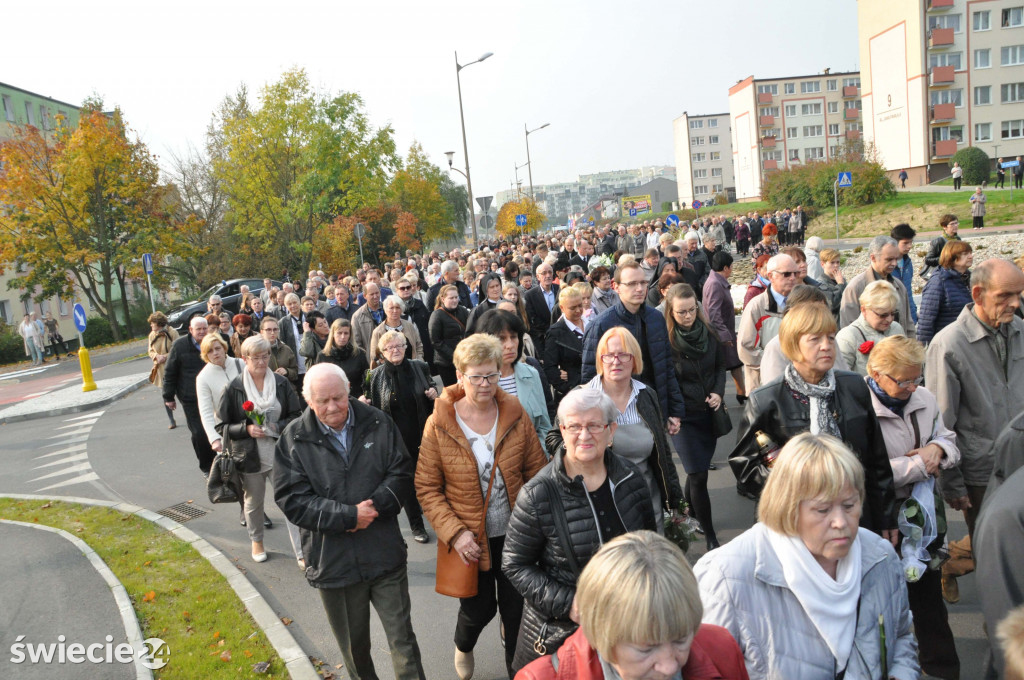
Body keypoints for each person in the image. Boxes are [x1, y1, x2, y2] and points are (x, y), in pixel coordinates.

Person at [699, 433, 919, 680]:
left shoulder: (881, 558)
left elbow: (900, 636)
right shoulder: (726, 580)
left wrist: (902, 675)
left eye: (849, 505)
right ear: (787, 506)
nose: (840, 522)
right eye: (823, 509)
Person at [274, 363, 426, 680]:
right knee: (355, 653)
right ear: (308, 401)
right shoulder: (293, 438)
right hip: (334, 564)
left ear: (348, 392)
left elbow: (402, 472)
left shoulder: (378, 422)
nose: (332, 407)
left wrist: (374, 507)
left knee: (404, 645)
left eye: (338, 398)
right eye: (323, 401)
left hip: (384, 555)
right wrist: (347, 517)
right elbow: (292, 499)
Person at [415, 334, 547, 680]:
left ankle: (516, 673)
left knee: (517, 615)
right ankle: (463, 643)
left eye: (492, 374)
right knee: (479, 609)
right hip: (471, 539)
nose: (486, 384)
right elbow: (427, 488)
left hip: (518, 534)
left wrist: (541, 524)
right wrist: (455, 534)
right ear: (460, 376)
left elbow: (536, 473)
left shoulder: (515, 413)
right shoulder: (440, 423)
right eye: (476, 376)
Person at [501, 388, 656, 672]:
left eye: (594, 425)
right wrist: (570, 604)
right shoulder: (538, 494)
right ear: (562, 430)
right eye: (574, 426)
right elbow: (515, 564)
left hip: (628, 625)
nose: (584, 435)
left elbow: (649, 545)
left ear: (611, 431)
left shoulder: (631, 479)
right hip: (563, 633)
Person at [731, 301, 898, 541]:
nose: (826, 346)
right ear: (792, 344)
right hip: (793, 524)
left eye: (831, 338)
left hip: (855, 517)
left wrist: (886, 516)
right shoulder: (766, 399)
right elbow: (744, 465)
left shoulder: (853, 386)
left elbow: (877, 460)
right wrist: (794, 483)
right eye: (815, 339)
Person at [518, 530, 749, 680]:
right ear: (600, 634)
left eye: (681, 639)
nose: (669, 667)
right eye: (646, 648)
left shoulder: (722, 647)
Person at [925, 258, 1024, 602]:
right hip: (984, 472)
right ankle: (1002, 636)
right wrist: (951, 484)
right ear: (979, 293)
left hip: (1021, 464)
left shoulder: (1021, 331)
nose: (1015, 302)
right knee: (997, 557)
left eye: (1019, 294)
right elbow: (941, 423)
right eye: (1006, 295)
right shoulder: (948, 344)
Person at [864, 336, 962, 679]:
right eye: (903, 380)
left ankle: (942, 670)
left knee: (929, 602)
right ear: (876, 374)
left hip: (924, 517)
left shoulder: (924, 398)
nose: (911, 387)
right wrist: (920, 466)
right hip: (880, 516)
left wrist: (938, 450)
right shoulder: (859, 406)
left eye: (916, 378)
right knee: (883, 605)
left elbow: (948, 439)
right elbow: (862, 471)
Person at [558, 327, 683, 524]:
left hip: (647, 502)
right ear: (600, 359)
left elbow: (662, 453)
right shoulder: (583, 397)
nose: (616, 361)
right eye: (609, 355)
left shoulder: (646, 395)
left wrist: (676, 499)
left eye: (623, 355)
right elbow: (555, 438)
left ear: (634, 359)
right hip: (602, 504)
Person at [217, 336, 302, 562]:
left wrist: (277, 426)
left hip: (281, 455)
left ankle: (302, 551)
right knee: (253, 503)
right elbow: (221, 425)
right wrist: (246, 429)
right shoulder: (234, 387)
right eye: (256, 358)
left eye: (265, 356)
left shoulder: (281, 383)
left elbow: (296, 417)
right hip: (250, 457)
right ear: (245, 359)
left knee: (291, 500)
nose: (262, 362)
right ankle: (257, 542)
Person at [580, 262, 685, 432]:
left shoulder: (656, 318)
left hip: (654, 408)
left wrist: (674, 411)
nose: (639, 288)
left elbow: (666, 367)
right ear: (616, 286)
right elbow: (590, 378)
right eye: (632, 284)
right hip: (617, 416)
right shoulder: (601, 325)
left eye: (643, 283)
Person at [665, 284, 725, 549]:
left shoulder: (709, 334)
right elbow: (665, 380)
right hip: (684, 418)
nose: (688, 316)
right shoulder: (666, 341)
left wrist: (718, 392)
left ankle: (687, 508)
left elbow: (720, 367)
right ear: (671, 311)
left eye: (692, 310)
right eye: (681, 312)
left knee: (696, 470)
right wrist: (672, 412)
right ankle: (709, 534)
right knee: (699, 475)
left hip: (708, 414)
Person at [364, 330, 438, 544]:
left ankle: (439, 517)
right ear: (382, 353)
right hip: (395, 440)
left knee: (430, 479)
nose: (395, 350)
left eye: (399, 346)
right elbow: (369, 404)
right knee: (407, 483)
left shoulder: (420, 367)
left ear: (406, 347)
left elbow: (432, 389)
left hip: (423, 433)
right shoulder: (374, 376)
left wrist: (434, 393)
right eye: (389, 348)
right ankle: (417, 525)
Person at [476, 309, 552, 449]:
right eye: (501, 339)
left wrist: (538, 457)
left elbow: (544, 426)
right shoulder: (474, 380)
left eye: (513, 337)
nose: (510, 345)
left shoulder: (531, 374)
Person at [737, 253, 801, 391]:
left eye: (796, 273)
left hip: (797, 384)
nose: (793, 278)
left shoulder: (802, 303)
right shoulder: (756, 307)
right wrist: (779, 363)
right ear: (771, 276)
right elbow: (746, 349)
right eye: (787, 274)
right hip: (764, 387)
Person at [164, 316, 217, 475]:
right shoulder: (179, 346)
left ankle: (220, 463)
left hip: (214, 395)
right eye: (198, 329)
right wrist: (168, 397)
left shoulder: (214, 343)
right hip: (191, 397)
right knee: (199, 433)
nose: (202, 332)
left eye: (204, 328)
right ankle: (207, 468)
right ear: (191, 330)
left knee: (217, 430)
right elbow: (170, 372)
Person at [839, 235, 916, 338]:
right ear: (873, 258)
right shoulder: (855, 288)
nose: (894, 263)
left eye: (896, 259)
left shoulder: (899, 286)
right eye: (889, 259)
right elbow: (848, 331)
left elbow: (908, 324)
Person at [835, 281, 905, 375]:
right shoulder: (848, 337)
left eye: (893, 314)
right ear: (864, 310)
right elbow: (842, 379)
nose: (889, 319)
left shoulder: (896, 328)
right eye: (883, 315)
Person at [917, 240, 974, 345]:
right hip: (944, 343)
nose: (971, 256)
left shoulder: (971, 279)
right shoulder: (939, 281)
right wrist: (923, 349)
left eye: (970, 253)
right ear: (951, 257)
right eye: (965, 254)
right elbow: (926, 319)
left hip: (966, 341)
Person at [544, 287, 585, 404]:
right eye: (573, 308)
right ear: (562, 308)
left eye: (580, 305)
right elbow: (550, 369)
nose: (578, 310)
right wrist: (569, 387)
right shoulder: (555, 332)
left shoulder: (591, 324)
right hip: (573, 397)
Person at [314, 318, 369, 399]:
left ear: (350, 335)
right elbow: (318, 382)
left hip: (357, 399)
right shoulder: (323, 356)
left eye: (346, 333)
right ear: (333, 334)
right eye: (339, 333)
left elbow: (367, 380)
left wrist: (365, 397)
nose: (343, 337)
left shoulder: (359, 354)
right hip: (332, 400)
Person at [429, 284, 469, 387]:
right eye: (451, 298)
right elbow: (436, 341)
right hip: (446, 363)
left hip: (463, 359)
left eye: (456, 297)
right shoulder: (437, 315)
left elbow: (470, 331)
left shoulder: (463, 311)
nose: (455, 300)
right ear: (443, 299)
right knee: (453, 391)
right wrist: (454, 356)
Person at [147, 312, 179, 429]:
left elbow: (177, 349)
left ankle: (190, 414)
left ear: (159, 324)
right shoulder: (152, 335)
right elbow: (150, 350)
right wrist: (156, 356)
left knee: (181, 392)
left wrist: (165, 356)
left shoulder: (172, 332)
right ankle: (171, 419)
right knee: (166, 394)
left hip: (173, 367)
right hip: (160, 368)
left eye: (152, 323)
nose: (151, 326)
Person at [524, 263, 559, 357]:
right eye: (544, 273)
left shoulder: (560, 290)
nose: (548, 275)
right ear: (538, 277)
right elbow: (532, 320)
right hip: (543, 340)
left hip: (562, 337)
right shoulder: (530, 295)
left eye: (550, 272)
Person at [890, 223, 919, 325]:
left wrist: (913, 311)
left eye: (911, 242)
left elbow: (908, 290)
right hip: (892, 319)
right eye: (905, 243)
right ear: (894, 242)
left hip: (910, 316)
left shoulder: (908, 263)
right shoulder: (886, 266)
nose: (909, 246)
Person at [349, 282, 386, 361]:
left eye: (377, 293)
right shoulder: (357, 316)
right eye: (371, 294)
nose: (375, 296)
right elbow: (356, 343)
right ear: (364, 296)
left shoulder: (388, 309)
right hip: (371, 360)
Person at [816, 248, 846, 324]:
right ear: (823, 264)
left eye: (837, 262)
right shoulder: (820, 283)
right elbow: (832, 304)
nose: (836, 265)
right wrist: (840, 285)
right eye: (832, 263)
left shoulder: (842, 280)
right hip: (831, 324)